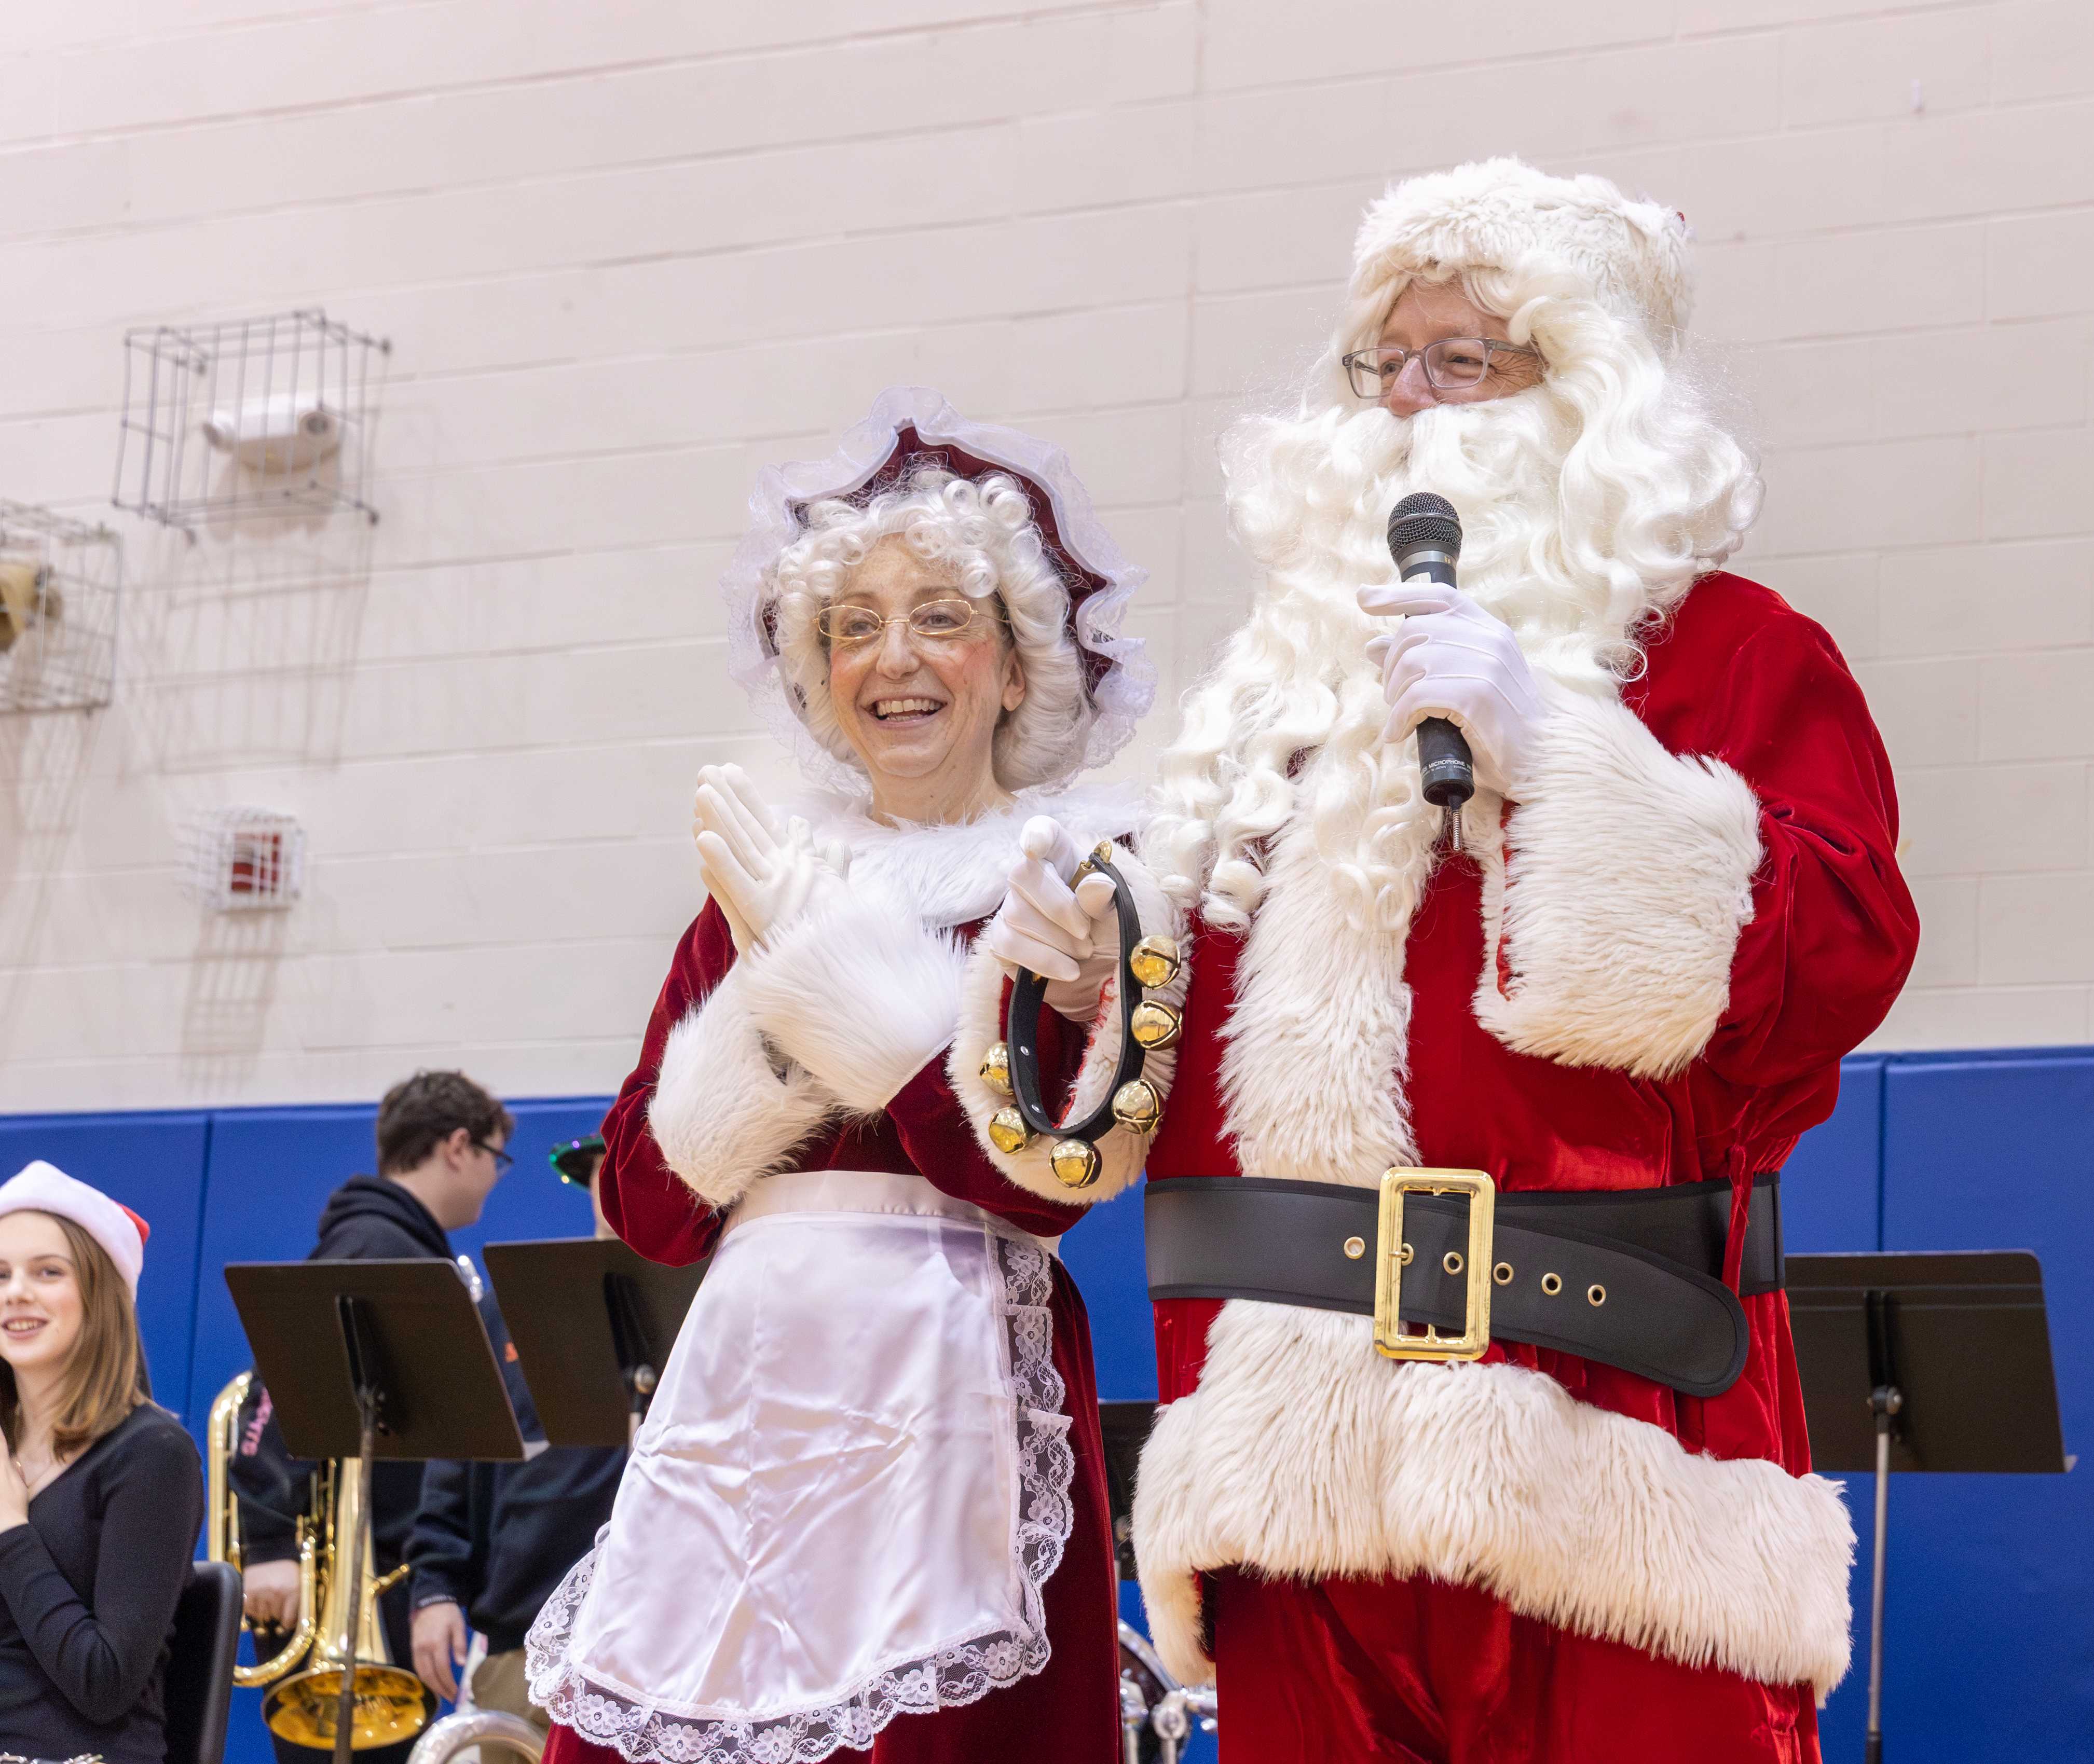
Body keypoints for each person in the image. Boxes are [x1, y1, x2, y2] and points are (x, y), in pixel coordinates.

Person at [982, 159, 1921, 1762]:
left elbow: (1834, 965)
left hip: (1616, 1449)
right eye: (1384, 362)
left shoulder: (1738, 653)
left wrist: (1560, 758)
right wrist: (1079, 990)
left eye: (1461, 360)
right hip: (1297, 1472)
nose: (1407, 401)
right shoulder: (1277, 698)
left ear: (1590, 394)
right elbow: (1163, 1094)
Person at [525, 387, 1157, 1764]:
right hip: (747, 1388)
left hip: (956, 1381)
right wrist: (768, 1036)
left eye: (940, 615)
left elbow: (1044, 1189)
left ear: (1017, 664)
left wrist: (871, 1020)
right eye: (853, 625)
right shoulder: (758, 884)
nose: (894, 657)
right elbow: (652, 1210)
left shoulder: (1082, 886)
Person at [232, 1068, 515, 1764]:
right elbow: (275, 1391)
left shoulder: (400, 1247)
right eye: (496, 1157)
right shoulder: (378, 1248)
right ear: (459, 1146)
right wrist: (267, 1544)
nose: (495, 1177)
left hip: (384, 1577)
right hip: (342, 1584)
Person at [405, 1140, 627, 1737]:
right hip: (521, 1637)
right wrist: (434, 1587)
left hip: (670, 1645)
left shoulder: (711, 1301)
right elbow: (458, 1454)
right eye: (607, 1172)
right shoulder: (512, 1304)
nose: (619, 1187)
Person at [0, 1160, 204, 1764]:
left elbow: (104, 1683)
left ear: (100, 1293)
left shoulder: (152, 1454)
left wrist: (10, 1529)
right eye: (0, 1273)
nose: (16, 1291)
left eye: (48, 1271)